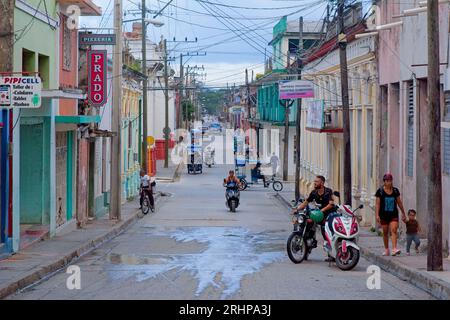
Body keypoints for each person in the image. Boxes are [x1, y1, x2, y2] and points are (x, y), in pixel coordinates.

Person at [292, 175, 335, 261]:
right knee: (306, 222)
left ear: (322, 183)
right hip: (318, 214)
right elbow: (306, 202)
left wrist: (321, 211)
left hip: (328, 215)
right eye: (314, 181)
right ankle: (308, 243)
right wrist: (297, 209)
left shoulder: (328, 191)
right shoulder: (314, 192)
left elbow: (331, 204)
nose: (314, 183)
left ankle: (331, 255)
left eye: (317, 181)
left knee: (325, 232)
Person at [375, 173, 407, 256]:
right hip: (383, 215)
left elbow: (399, 202)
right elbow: (377, 204)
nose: (389, 182)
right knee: (385, 232)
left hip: (393, 214)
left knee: (394, 230)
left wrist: (403, 213)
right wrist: (377, 215)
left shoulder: (395, 191)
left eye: (390, 181)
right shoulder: (380, 191)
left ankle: (394, 248)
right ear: (384, 182)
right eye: (387, 181)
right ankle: (386, 249)